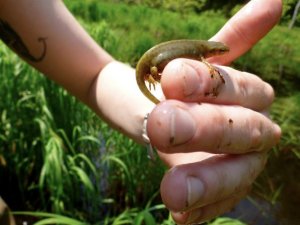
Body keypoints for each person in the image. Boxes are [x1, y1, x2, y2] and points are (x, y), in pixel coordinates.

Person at [0, 0, 282, 224]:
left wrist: (165, 120)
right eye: (219, 51)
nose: (220, 51)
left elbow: (95, 75)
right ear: (212, 51)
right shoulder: (201, 55)